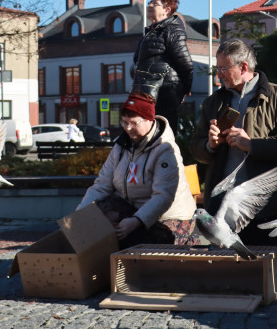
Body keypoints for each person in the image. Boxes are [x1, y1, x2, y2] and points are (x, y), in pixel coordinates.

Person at [189, 39, 277, 245]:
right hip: (221, 210)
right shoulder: (213, 102)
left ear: (243, 67)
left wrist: (251, 145)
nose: (219, 74)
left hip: (267, 208)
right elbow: (195, 148)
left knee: (263, 271)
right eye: (218, 68)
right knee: (223, 272)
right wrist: (210, 145)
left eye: (223, 68)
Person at [78, 93, 196, 247]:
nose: (128, 128)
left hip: (168, 218)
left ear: (149, 119)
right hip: (134, 209)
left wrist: (136, 221)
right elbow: (102, 185)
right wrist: (79, 215)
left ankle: (120, 266)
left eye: (133, 123)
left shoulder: (165, 150)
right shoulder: (121, 146)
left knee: (127, 239)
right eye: (124, 122)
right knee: (97, 216)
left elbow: (163, 197)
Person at [132, 0, 193, 134]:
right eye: (149, 2)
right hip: (147, 91)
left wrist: (184, 90)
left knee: (163, 135)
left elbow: (186, 64)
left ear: (166, 9)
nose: (150, 6)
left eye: (155, 4)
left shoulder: (172, 30)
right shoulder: (149, 33)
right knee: (145, 135)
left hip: (165, 91)